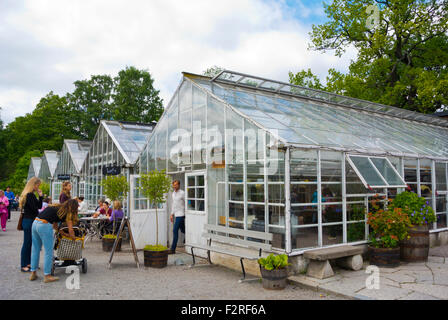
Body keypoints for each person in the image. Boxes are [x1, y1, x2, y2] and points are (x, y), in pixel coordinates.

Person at [29, 199, 79, 283]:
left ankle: (33, 273)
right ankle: (47, 276)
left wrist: (64, 234)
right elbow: (71, 230)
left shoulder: (57, 207)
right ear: (74, 208)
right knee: (49, 252)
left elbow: (55, 226)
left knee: (35, 250)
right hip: (44, 225)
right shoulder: (68, 214)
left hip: (35, 223)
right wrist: (73, 238)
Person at [19, 177, 43, 272]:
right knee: (27, 243)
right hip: (29, 221)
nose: (38, 187)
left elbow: (39, 206)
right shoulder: (29, 195)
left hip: (30, 221)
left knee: (30, 243)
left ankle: (28, 262)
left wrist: (40, 196)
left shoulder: (31, 195)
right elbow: (35, 209)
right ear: (34, 184)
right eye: (38, 185)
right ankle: (24, 264)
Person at [169, 180, 185, 254]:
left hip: (181, 214)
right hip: (176, 214)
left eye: (176, 185)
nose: (174, 186)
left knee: (175, 230)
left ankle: (173, 249)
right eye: (173, 185)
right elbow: (173, 205)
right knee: (183, 229)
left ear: (179, 185)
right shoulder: (173, 194)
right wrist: (171, 214)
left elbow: (187, 202)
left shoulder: (182, 193)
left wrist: (187, 212)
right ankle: (187, 237)